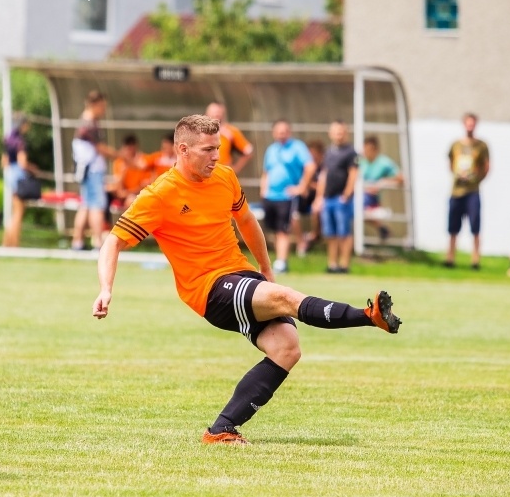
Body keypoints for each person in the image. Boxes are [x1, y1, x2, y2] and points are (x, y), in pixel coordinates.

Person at [92, 114, 402, 445]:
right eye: (208, 150)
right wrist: (106, 289)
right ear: (182, 149)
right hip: (208, 289)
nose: (216, 157)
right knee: (286, 298)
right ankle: (368, 316)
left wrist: (266, 269)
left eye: (218, 148)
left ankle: (221, 430)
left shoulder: (225, 177)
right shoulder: (159, 195)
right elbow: (114, 241)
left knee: (286, 348)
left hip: (240, 275)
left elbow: (248, 222)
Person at [260, 119, 317, 273]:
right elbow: (266, 172)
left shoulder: (297, 147)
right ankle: (276, 260)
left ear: (289, 131)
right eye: (278, 131)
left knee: (283, 230)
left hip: (286, 196)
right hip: (270, 196)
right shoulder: (271, 149)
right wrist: (263, 190)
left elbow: (310, 167)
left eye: (284, 131)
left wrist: (301, 187)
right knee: (273, 230)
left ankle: (281, 262)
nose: (281, 134)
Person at [71, 90, 119, 251]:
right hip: (92, 171)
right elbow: (101, 148)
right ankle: (98, 242)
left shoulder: (85, 121)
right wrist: (119, 155)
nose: (103, 110)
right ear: (94, 105)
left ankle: (77, 241)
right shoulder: (89, 124)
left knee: (85, 205)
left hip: (86, 170)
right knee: (97, 205)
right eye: (102, 106)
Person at [444, 113, 490, 270]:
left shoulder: (481, 146)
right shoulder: (456, 145)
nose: (470, 127)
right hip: (456, 191)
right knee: (452, 227)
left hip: (473, 191)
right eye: (468, 124)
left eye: (473, 124)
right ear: (464, 124)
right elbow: (450, 163)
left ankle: (475, 260)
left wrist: (475, 179)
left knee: (475, 226)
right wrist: (459, 175)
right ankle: (450, 258)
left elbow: (486, 166)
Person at [313, 121, 360, 274]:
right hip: (328, 199)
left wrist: (346, 194)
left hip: (341, 199)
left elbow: (353, 174)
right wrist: (320, 197)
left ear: (345, 132)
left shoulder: (351, 152)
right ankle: (332, 264)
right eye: (335, 131)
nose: (338, 134)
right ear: (330, 133)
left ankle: (344, 264)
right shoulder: (329, 152)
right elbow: (324, 175)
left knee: (343, 233)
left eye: (341, 131)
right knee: (330, 233)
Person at [1, 114, 37, 247]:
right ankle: (13, 245)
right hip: (19, 177)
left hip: (10, 174)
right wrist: (32, 168)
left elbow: (4, 162)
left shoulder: (9, 139)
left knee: (14, 211)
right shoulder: (20, 142)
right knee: (18, 212)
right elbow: (23, 163)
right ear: (23, 125)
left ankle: (7, 242)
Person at [359, 136, 403, 242]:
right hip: (360, 195)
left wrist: (382, 183)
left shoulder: (384, 163)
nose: (366, 152)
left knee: (358, 207)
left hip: (371, 197)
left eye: (368, 150)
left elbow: (400, 178)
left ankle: (380, 222)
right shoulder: (361, 161)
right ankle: (381, 227)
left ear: (375, 149)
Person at [204, 102, 253, 175]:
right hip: (205, 174)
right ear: (206, 114)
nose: (216, 115)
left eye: (218, 112)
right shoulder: (200, 132)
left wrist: (236, 168)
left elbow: (248, 150)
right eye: (213, 112)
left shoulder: (231, 132)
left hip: (223, 174)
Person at [109, 134, 152, 210]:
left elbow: (145, 186)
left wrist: (127, 193)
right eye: (125, 149)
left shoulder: (144, 161)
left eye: (129, 149)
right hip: (122, 194)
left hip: (136, 194)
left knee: (131, 200)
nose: (127, 152)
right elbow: (118, 186)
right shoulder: (119, 162)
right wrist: (123, 173)